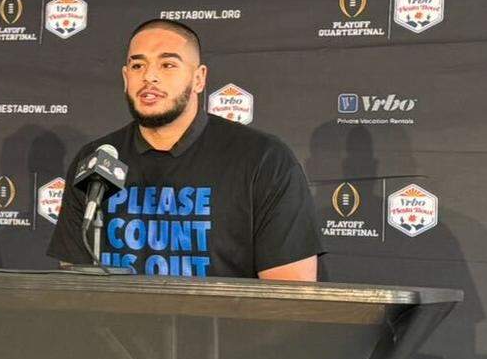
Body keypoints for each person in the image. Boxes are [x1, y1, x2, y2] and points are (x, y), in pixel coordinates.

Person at [47, 18, 321, 280]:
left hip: (222, 329)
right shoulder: (97, 159)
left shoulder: (263, 160)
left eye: (167, 65)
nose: (149, 77)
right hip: (113, 329)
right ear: (125, 77)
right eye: (137, 66)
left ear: (199, 79)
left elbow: (289, 297)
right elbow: (74, 286)